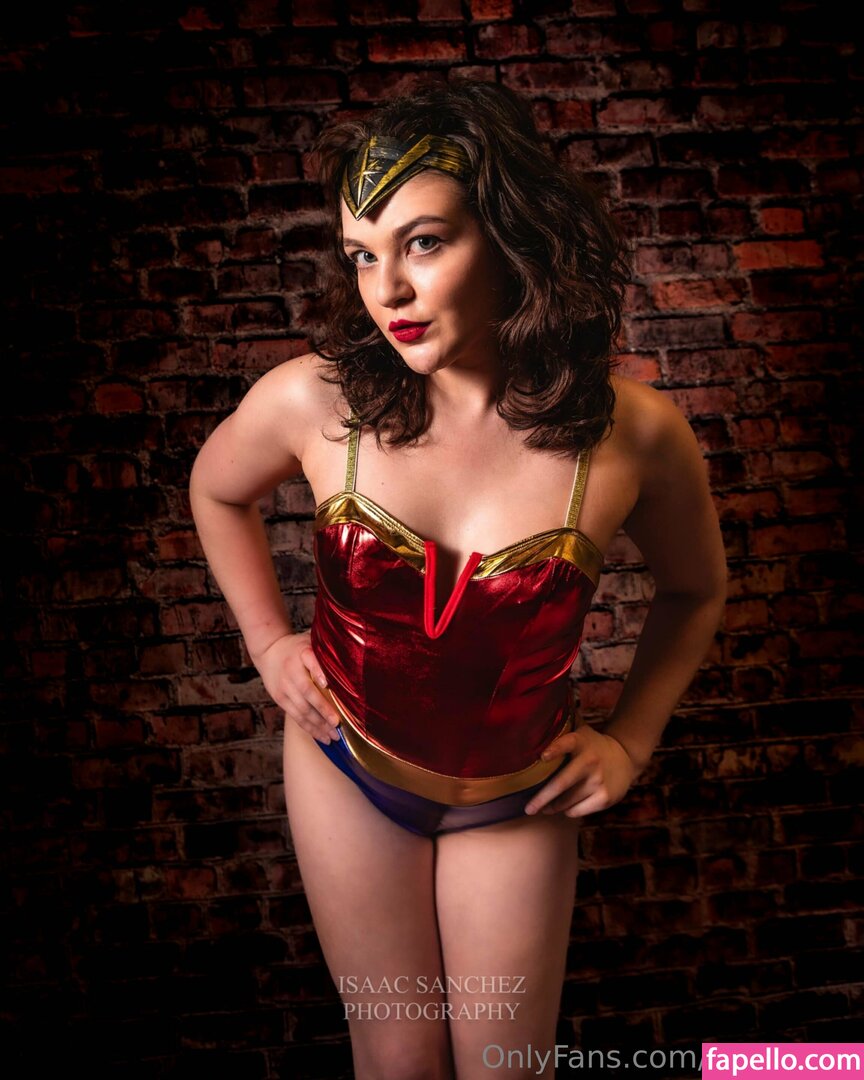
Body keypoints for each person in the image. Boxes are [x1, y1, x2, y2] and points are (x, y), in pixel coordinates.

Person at [190, 81, 727, 1080]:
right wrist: (268, 641)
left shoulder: (637, 434)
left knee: (506, 1068)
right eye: (362, 254)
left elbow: (697, 590)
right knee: (396, 1062)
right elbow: (215, 490)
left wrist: (632, 741)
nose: (386, 289)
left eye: (424, 243)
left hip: (520, 793)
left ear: (512, 235)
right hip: (346, 769)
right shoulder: (314, 402)